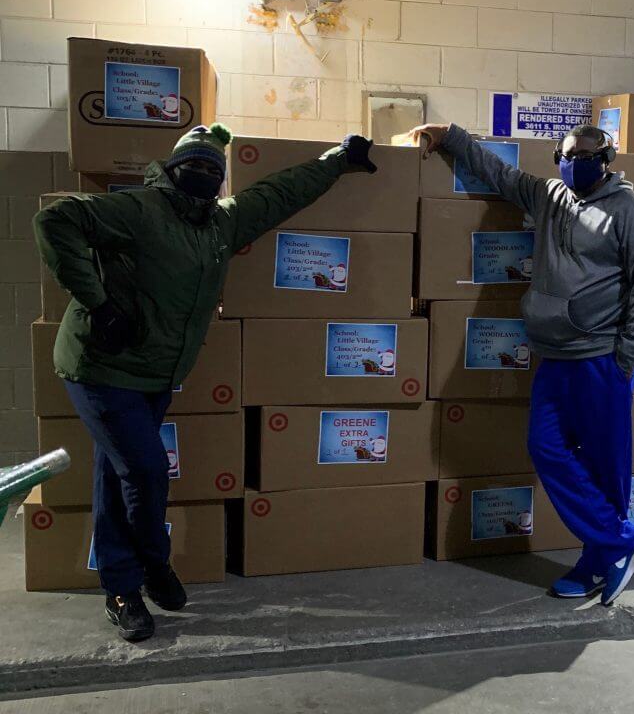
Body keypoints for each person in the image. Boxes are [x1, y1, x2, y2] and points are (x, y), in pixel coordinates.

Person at [34, 124, 377, 642]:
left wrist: (338, 159)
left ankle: (122, 585)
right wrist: (98, 304)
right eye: (192, 166)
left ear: (220, 182)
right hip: (100, 367)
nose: (202, 176)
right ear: (170, 170)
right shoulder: (140, 210)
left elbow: (279, 194)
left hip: (155, 373)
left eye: (212, 171)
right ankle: (148, 571)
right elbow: (54, 221)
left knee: (119, 472)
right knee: (146, 472)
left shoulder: (220, 225)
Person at [411, 122, 634, 606]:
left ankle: (599, 560)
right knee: (545, 447)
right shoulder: (549, 196)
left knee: (606, 468)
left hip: (601, 358)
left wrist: (626, 358)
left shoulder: (630, 212)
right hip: (554, 354)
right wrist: (453, 137)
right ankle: (618, 541)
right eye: (568, 155)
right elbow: (500, 175)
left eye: (586, 155)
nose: (575, 162)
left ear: (605, 159)